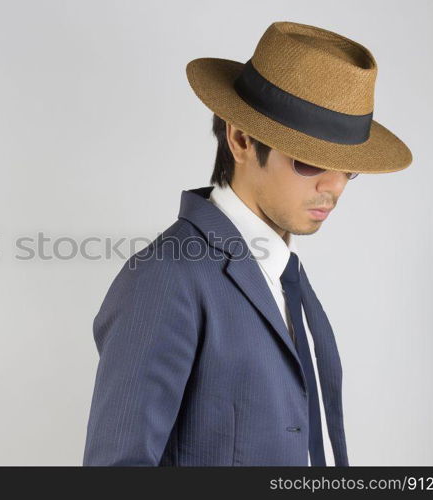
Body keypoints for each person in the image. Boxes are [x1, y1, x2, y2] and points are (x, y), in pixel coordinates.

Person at [82, 21, 412, 466]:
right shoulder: (166, 276)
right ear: (240, 138)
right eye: (310, 161)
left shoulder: (285, 275)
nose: (335, 188)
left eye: (348, 169)